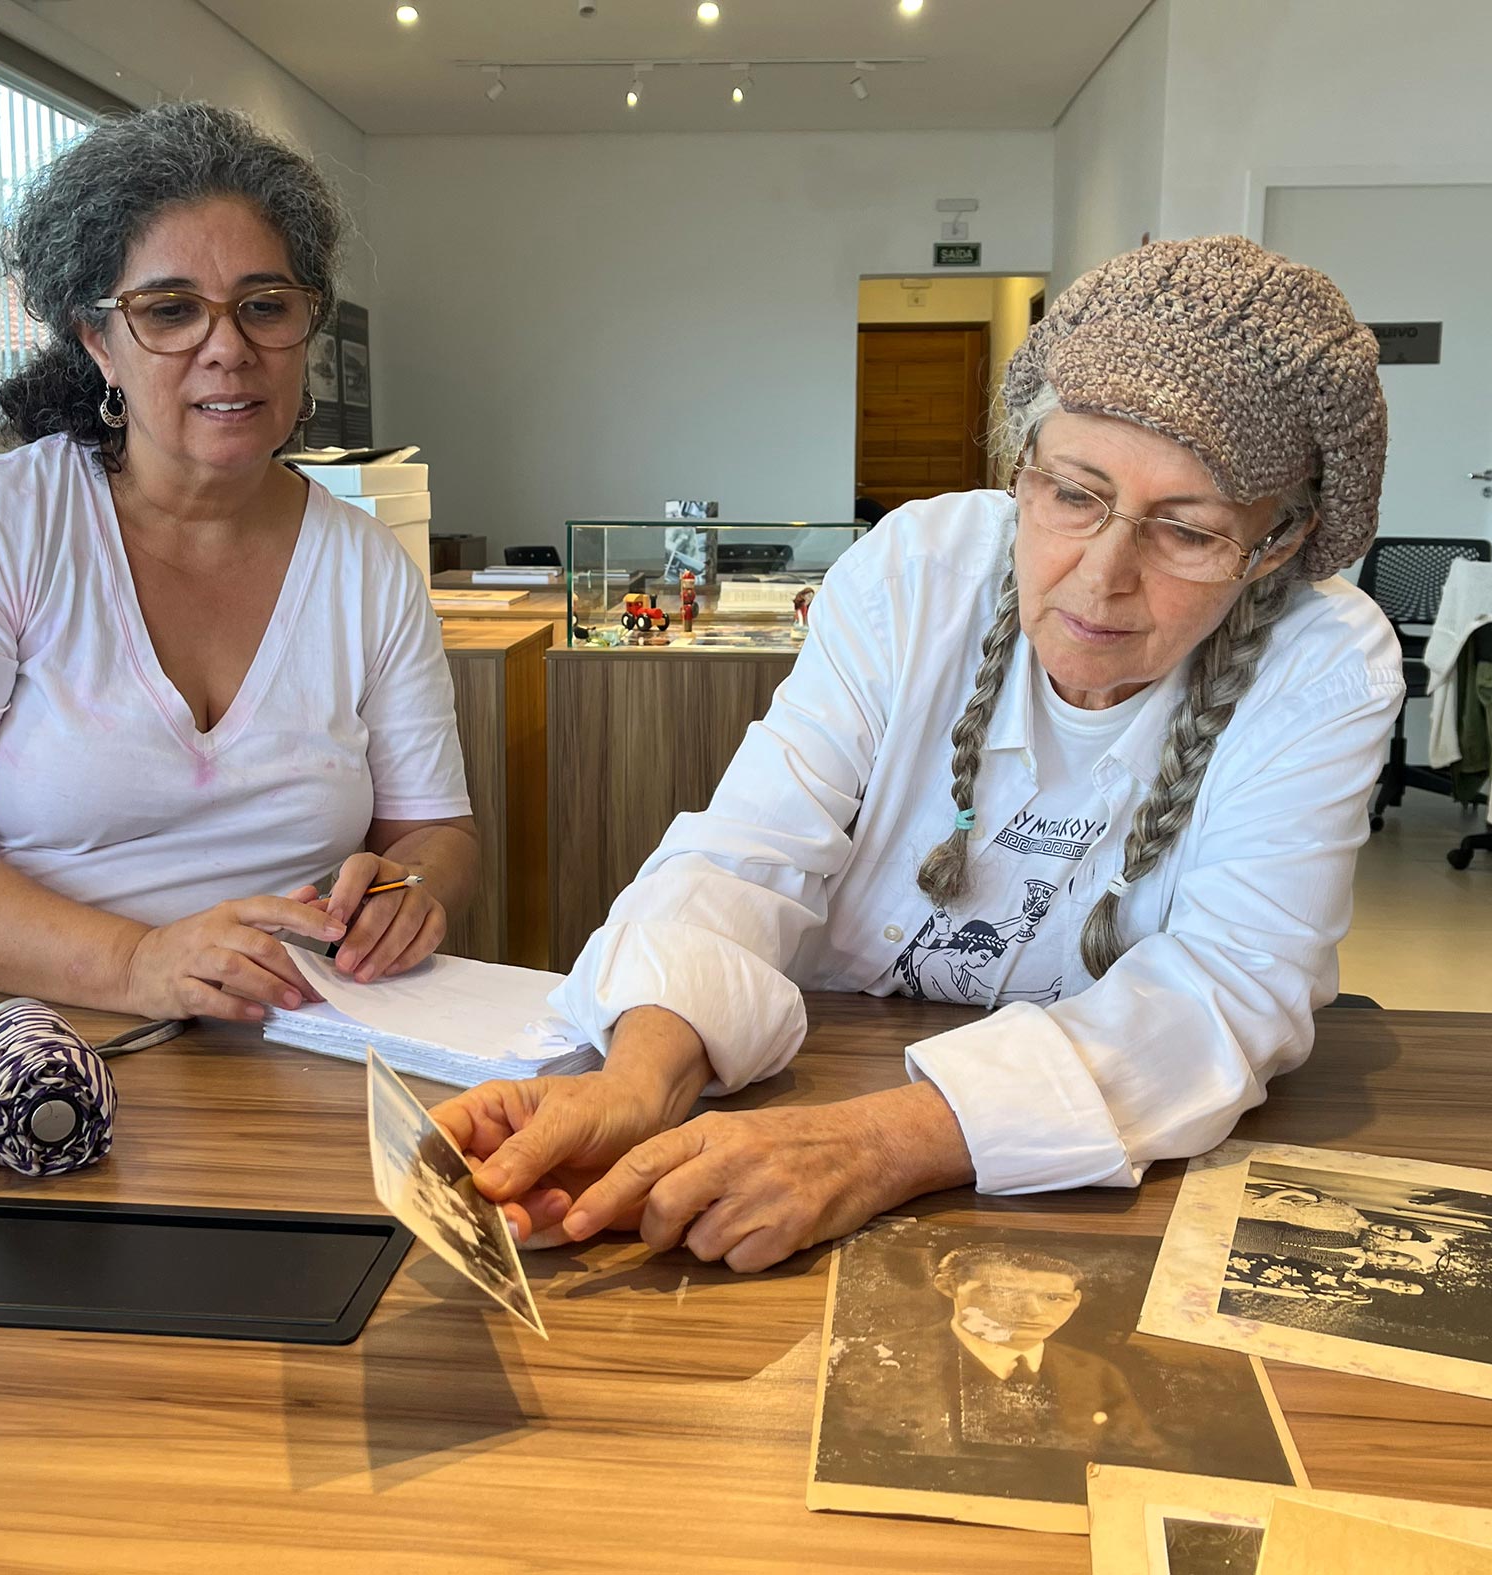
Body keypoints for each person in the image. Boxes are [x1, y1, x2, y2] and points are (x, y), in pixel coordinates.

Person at [436, 235, 1402, 1273]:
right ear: (1019, 470)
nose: (1100, 577)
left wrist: (874, 1144)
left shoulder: (1321, 667)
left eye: (1186, 530)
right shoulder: (918, 569)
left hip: (1027, 1194)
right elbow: (750, 847)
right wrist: (640, 1078)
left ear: (1278, 545)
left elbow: (1228, 986)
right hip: (785, 1119)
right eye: (1071, 494)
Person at [0, 104, 476, 1020]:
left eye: (266, 307)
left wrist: (406, 893)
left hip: (242, 1028)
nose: (228, 347)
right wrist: (136, 964)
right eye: (170, 311)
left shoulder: (367, 569)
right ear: (99, 341)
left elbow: (434, 831)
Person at [825, 1245, 1161, 1462]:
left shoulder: (1094, 1372)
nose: (1032, 1312)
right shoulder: (878, 1362)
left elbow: (1143, 1459)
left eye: (1052, 1299)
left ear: (1074, 1302)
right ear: (948, 1287)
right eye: (1001, 1292)